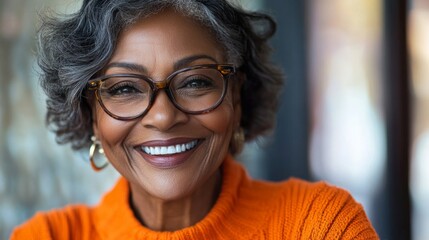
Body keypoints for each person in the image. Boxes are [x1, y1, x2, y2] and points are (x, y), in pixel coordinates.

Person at [11, 0, 379, 239]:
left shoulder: (320, 226)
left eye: (196, 81)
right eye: (124, 88)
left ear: (236, 94)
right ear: (90, 115)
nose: (163, 115)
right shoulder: (48, 236)